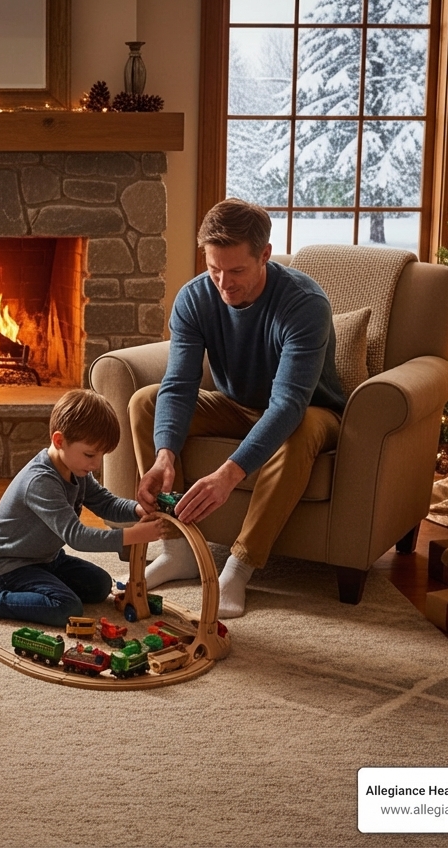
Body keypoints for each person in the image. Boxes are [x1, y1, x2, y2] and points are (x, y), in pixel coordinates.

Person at [130, 198, 345, 618]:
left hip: (312, 411)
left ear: (264, 255)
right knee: (146, 401)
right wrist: (165, 455)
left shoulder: (305, 304)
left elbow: (287, 404)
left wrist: (228, 474)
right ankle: (176, 550)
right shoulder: (195, 298)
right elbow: (179, 384)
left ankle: (240, 566)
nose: (224, 284)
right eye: (214, 269)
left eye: (237, 271)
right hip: (236, 405)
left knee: (297, 425)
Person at [0, 389, 174, 627]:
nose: (97, 464)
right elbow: (77, 537)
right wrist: (134, 535)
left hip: (47, 558)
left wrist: (138, 510)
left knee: (100, 586)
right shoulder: (41, 482)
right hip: (10, 565)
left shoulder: (76, 469)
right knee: (66, 608)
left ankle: (37, 584)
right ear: (59, 441)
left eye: (101, 456)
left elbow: (106, 503)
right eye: (90, 454)